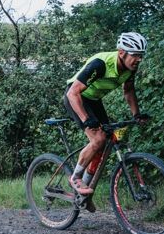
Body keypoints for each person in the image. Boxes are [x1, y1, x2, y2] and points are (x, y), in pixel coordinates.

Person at [63, 32, 150, 212]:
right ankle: (75, 177)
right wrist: (87, 120)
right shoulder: (101, 64)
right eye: (135, 54)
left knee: (108, 140)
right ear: (121, 52)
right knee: (98, 140)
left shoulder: (130, 68)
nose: (138, 59)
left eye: (141, 55)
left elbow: (128, 91)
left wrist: (136, 114)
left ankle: (84, 195)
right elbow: (73, 92)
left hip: (94, 100)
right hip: (76, 98)